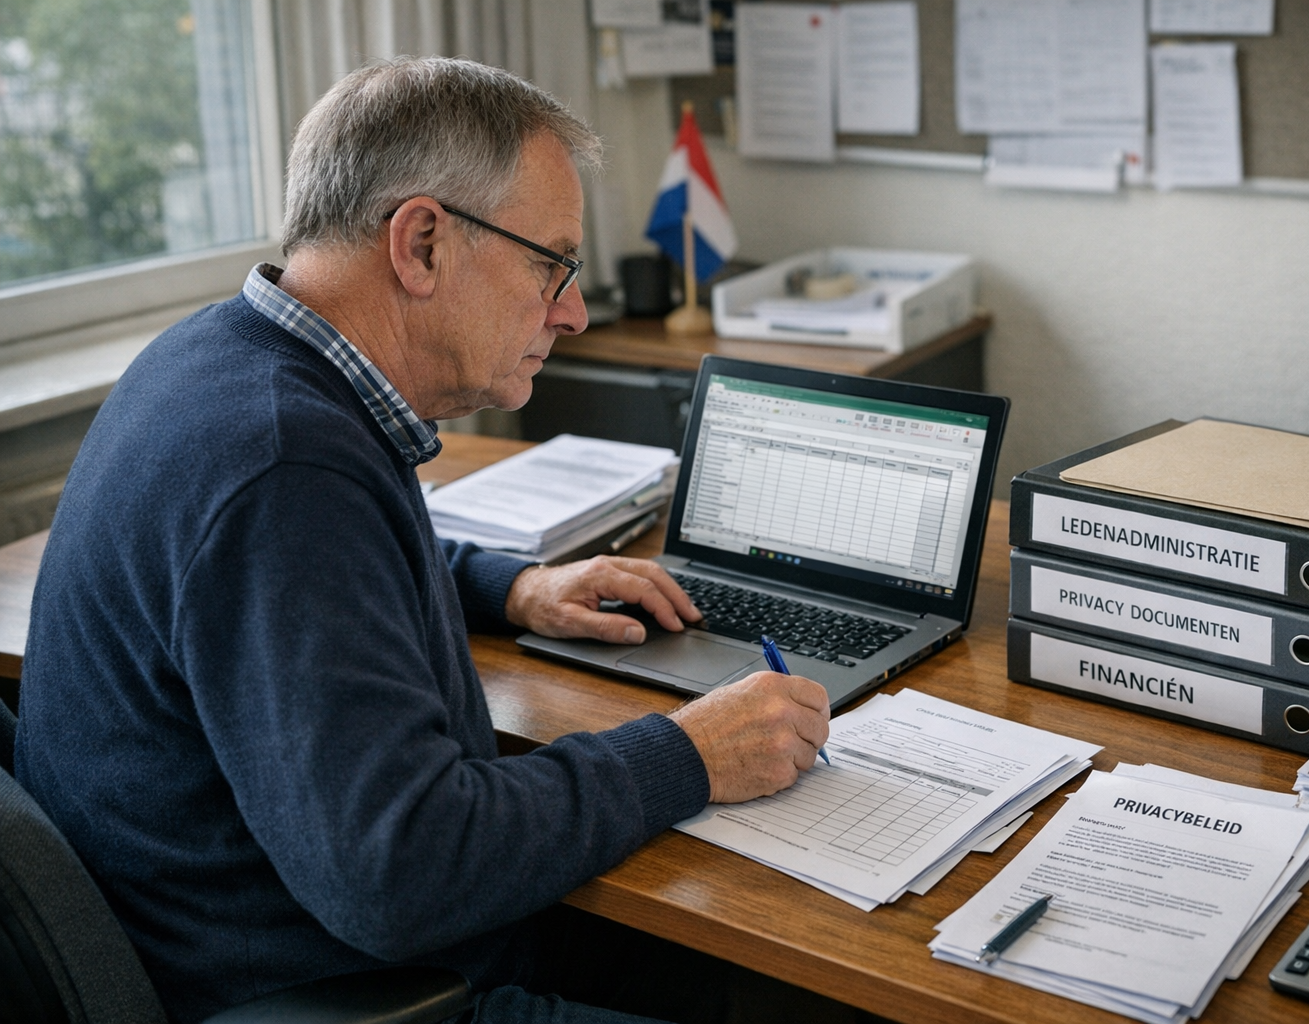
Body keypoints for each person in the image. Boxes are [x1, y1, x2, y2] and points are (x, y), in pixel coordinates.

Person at [15, 57, 832, 1024]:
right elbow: (401, 872)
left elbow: (328, 579)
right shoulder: (285, 470)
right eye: (550, 264)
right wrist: (686, 753)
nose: (569, 310)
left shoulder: (220, 359)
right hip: (356, 986)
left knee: (747, 973)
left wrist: (509, 587)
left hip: (259, 927)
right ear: (423, 244)